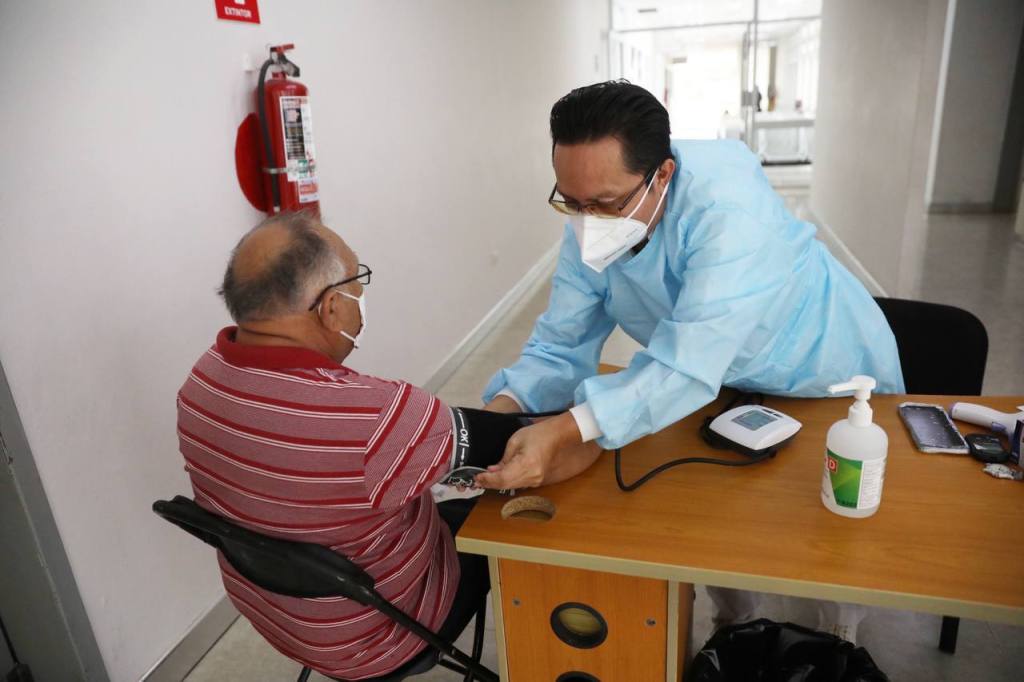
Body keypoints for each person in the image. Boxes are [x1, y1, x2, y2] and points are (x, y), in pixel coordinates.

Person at [475, 80, 904, 642]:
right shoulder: (592, 218)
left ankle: (838, 638)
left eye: (604, 204)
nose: (586, 222)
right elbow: (560, 343)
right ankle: (735, 623)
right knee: (713, 512)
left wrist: (563, 429)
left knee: (826, 528)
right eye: (571, 202)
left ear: (663, 175)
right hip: (722, 380)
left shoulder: (729, 210)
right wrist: (489, 422)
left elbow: (686, 363)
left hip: (821, 369)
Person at [176, 213, 599, 679]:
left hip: (278, 616)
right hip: (385, 635)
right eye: (357, 283)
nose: (361, 297)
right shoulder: (376, 418)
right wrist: (601, 425)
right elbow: (527, 445)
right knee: (515, 503)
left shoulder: (200, 384)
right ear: (330, 307)